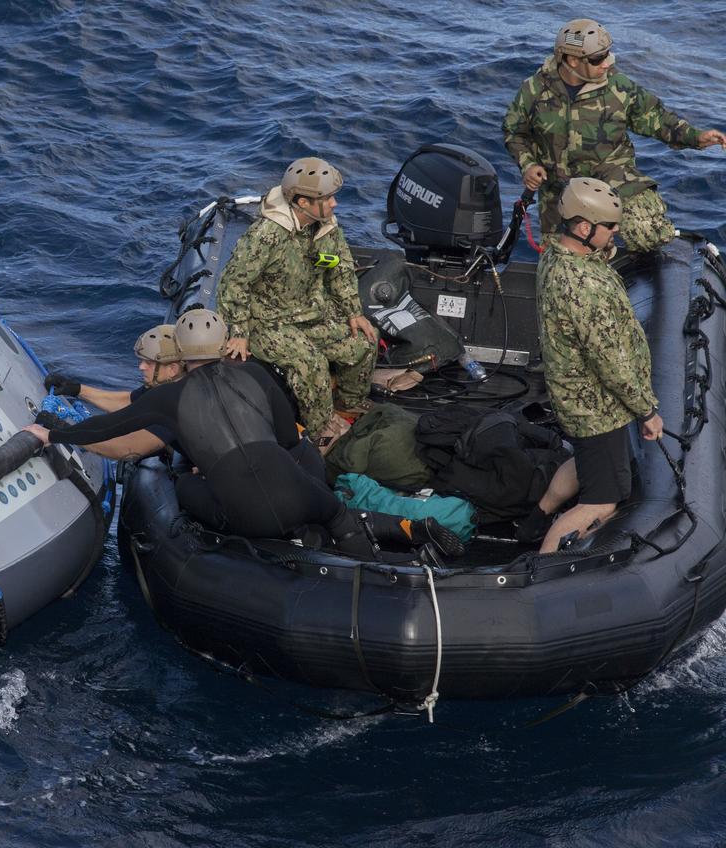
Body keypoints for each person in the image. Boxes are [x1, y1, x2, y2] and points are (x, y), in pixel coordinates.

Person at [23, 309, 462, 557]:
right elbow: (289, 441)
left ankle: (294, 542)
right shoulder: (252, 372)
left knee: (184, 484)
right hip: (302, 483)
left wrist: (53, 434)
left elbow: (113, 434)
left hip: (246, 513)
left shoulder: (170, 400)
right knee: (335, 515)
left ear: (179, 357)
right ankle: (397, 543)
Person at [520, 178, 663, 554]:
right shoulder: (585, 288)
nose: (618, 232)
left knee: (586, 462)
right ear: (584, 228)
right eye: (611, 227)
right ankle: (542, 573)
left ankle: (536, 518)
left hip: (573, 398)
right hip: (596, 408)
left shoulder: (555, 254)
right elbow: (612, 363)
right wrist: (646, 411)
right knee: (601, 501)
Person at [503, 18, 726, 252]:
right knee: (564, 267)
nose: (608, 63)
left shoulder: (619, 86)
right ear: (572, 60)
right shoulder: (534, 89)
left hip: (613, 180)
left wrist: (695, 137)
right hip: (561, 193)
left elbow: (656, 119)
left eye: (608, 54)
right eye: (598, 58)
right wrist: (528, 164)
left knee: (646, 230)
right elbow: (514, 131)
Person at [216, 156, 377, 434]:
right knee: (309, 364)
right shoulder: (267, 235)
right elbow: (233, 283)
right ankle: (321, 431)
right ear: (304, 202)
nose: (334, 204)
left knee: (363, 341)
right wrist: (239, 331)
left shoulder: (325, 227)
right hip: (267, 323)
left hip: (310, 312)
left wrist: (354, 312)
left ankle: (350, 403)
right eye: (327, 199)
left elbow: (340, 267)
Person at [41, 324, 184, 460]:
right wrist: (77, 389)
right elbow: (129, 402)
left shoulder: (178, 404)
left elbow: (127, 449)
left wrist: (60, 432)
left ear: (173, 369)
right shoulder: (168, 385)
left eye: (149, 363)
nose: (141, 367)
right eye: (142, 361)